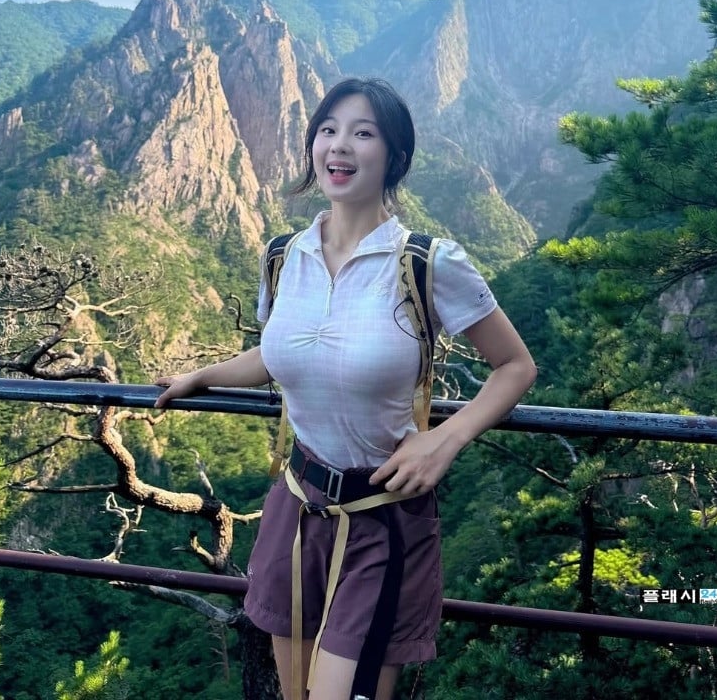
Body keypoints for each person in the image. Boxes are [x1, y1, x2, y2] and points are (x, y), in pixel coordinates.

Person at [154, 77, 537, 700]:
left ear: (395, 155)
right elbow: (279, 351)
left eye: (363, 133)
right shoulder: (284, 256)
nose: (340, 145)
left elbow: (515, 366)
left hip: (380, 515)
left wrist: (445, 440)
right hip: (298, 505)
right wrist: (203, 375)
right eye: (328, 130)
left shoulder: (427, 263)